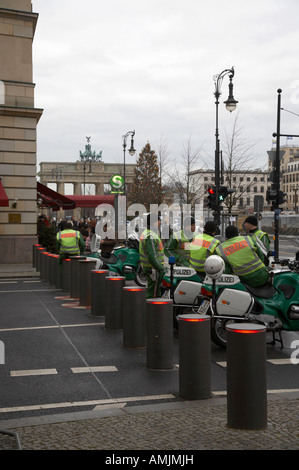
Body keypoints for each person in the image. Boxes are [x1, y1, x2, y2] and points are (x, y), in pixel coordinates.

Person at [139, 212, 164, 298]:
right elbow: (151, 255)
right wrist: (160, 268)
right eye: (159, 220)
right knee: (154, 293)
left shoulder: (147, 233)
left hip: (149, 267)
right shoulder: (151, 236)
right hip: (153, 268)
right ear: (154, 222)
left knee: (153, 290)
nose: (160, 222)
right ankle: (151, 310)